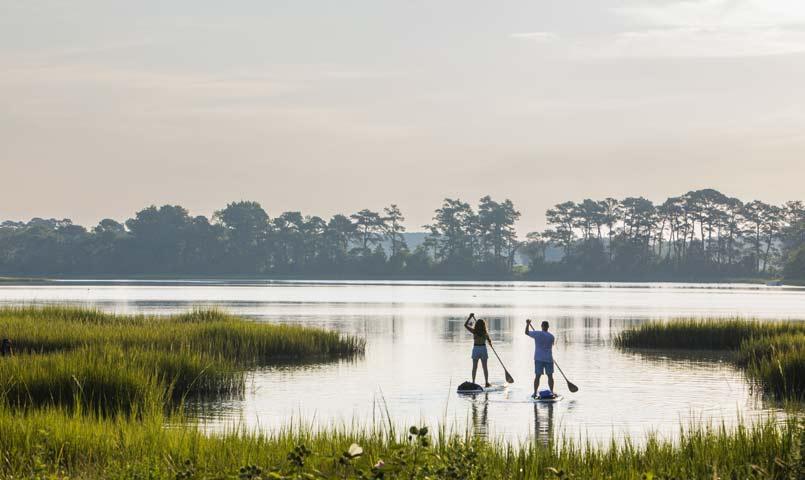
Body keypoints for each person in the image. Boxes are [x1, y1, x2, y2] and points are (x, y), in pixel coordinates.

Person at [525, 319, 554, 398]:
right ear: (548, 327)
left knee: (537, 376)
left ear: (542, 326)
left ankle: (534, 393)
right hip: (549, 358)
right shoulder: (552, 336)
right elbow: (552, 345)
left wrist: (528, 324)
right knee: (550, 376)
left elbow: (526, 332)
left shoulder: (537, 333)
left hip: (539, 358)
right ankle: (551, 392)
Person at [464, 313, 491, 387]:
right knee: (485, 367)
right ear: (483, 325)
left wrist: (469, 317)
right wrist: (490, 342)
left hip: (476, 349)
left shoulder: (474, 331)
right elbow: (489, 341)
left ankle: (473, 382)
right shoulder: (485, 333)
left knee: (474, 367)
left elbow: (465, 325)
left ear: (476, 325)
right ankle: (486, 382)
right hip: (483, 349)